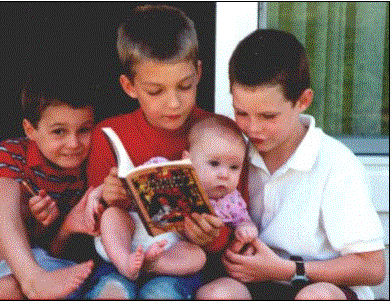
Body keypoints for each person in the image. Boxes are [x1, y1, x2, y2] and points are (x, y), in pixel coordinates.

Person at [196, 29, 386, 300]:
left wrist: (286, 270)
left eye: (268, 116)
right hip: (255, 283)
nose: (253, 128)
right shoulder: (232, 153)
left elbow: (372, 267)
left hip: (319, 285)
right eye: (241, 113)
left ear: (303, 101)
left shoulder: (336, 162)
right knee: (219, 294)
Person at [84, 5, 248, 299]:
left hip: (180, 263)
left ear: (198, 73)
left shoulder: (220, 135)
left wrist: (212, 236)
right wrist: (108, 198)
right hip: (119, 260)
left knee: (163, 293)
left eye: (184, 87)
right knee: (111, 292)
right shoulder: (111, 134)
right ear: (129, 86)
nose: (173, 103)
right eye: (155, 91)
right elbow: (96, 223)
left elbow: (235, 216)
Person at [0, 75, 113, 299]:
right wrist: (32, 217)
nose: (73, 143)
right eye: (58, 131)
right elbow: (2, 221)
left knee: (7, 289)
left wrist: (65, 226)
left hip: (50, 270)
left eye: (84, 130)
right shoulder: (15, 153)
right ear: (30, 130)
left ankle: (32, 281)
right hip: (5, 262)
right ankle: (31, 279)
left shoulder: (92, 165)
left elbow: (56, 253)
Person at [85, 116, 258, 284]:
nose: (224, 174)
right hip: (132, 232)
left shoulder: (231, 200)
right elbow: (131, 180)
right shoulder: (163, 168)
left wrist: (246, 229)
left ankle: (153, 264)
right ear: (187, 159)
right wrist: (103, 190)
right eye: (214, 164)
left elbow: (243, 221)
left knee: (198, 257)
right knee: (112, 214)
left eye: (234, 167)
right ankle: (124, 263)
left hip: (171, 249)